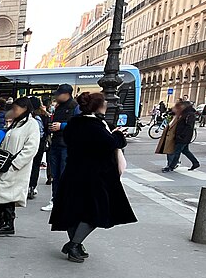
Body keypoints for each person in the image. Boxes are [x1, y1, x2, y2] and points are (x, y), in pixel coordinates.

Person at [49, 91, 136, 262]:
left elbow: (69, 140)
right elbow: (112, 144)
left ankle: (75, 243)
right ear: (98, 106)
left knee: (73, 210)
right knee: (96, 211)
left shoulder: (74, 123)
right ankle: (74, 244)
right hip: (95, 176)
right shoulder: (95, 126)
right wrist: (118, 134)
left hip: (73, 172)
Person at [0, 98, 41, 235]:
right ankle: (1, 221)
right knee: (0, 194)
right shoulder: (17, 123)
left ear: (25, 108)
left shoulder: (32, 125)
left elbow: (31, 148)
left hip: (16, 168)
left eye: (16, 108)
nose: (14, 110)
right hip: (5, 166)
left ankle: (7, 222)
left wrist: (15, 164)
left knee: (7, 196)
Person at [41, 83, 80, 212]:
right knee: (56, 175)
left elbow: (78, 125)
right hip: (56, 143)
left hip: (66, 145)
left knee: (63, 174)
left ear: (67, 94)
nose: (56, 96)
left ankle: (64, 200)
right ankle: (56, 199)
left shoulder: (75, 107)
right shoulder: (59, 107)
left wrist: (62, 126)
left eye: (59, 94)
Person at [158, 100, 199, 172]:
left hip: (183, 137)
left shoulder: (189, 114)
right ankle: (195, 163)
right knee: (185, 151)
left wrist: (181, 136)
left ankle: (171, 167)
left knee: (176, 152)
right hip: (183, 137)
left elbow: (189, 127)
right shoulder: (185, 113)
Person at [28, 96, 51, 200]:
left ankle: (27, 186)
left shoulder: (30, 116)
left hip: (30, 142)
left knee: (28, 164)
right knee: (36, 165)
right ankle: (32, 186)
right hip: (41, 143)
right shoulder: (45, 115)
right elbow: (48, 129)